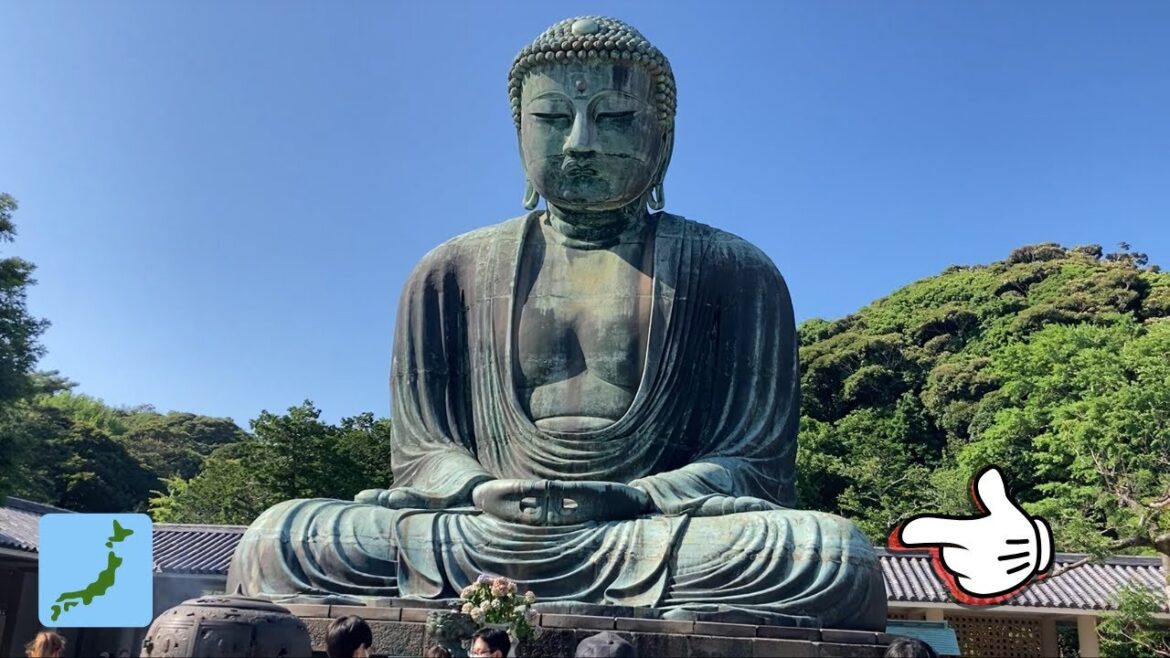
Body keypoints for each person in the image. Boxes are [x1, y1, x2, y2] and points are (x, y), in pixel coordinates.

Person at [227, 15, 886, 631]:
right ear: (518, 129)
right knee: (282, 538)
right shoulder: (449, 272)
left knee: (828, 556)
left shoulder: (732, 270)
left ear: (663, 134)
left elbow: (751, 461)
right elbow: (423, 452)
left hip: (653, 531)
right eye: (551, 117)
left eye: (614, 118)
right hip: (481, 531)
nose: (580, 143)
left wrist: (635, 497)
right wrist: (481, 490)